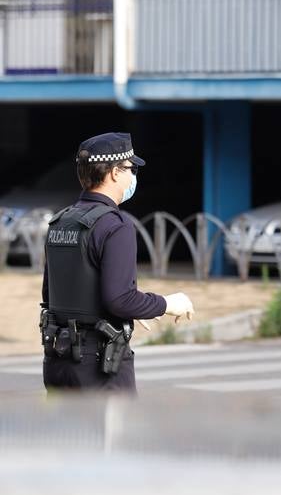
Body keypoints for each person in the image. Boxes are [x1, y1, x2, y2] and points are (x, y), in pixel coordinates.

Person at [40, 132, 195, 393]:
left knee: (68, 434)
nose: (133, 176)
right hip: (99, 367)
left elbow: (52, 295)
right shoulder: (115, 225)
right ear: (114, 173)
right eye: (130, 169)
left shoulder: (61, 221)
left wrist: (136, 306)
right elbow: (119, 299)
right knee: (112, 434)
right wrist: (167, 304)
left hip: (57, 361)